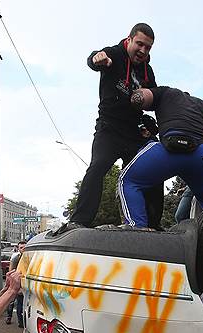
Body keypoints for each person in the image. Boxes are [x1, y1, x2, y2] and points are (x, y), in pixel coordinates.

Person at [59, 23, 160, 233]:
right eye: (139, 44)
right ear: (129, 39)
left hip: (134, 131)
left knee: (153, 168)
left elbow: (155, 99)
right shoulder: (114, 54)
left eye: (147, 47)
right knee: (98, 166)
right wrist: (97, 59)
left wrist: (155, 123)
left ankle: (153, 224)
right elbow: (95, 58)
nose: (142, 51)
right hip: (109, 128)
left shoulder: (147, 72)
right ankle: (79, 220)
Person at [119, 86, 203, 228]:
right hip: (201, 153)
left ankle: (137, 227)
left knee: (128, 181)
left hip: (170, 148)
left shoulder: (166, 92)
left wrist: (134, 94)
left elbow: (143, 97)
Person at [5, 241, 26, 326]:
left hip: (26, 284)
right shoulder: (16, 259)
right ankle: (10, 317)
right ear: (18, 249)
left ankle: (22, 321)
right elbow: (11, 272)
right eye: (21, 248)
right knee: (13, 302)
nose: (23, 249)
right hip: (17, 283)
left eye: (25, 247)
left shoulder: (29, 258)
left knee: (22, 303)